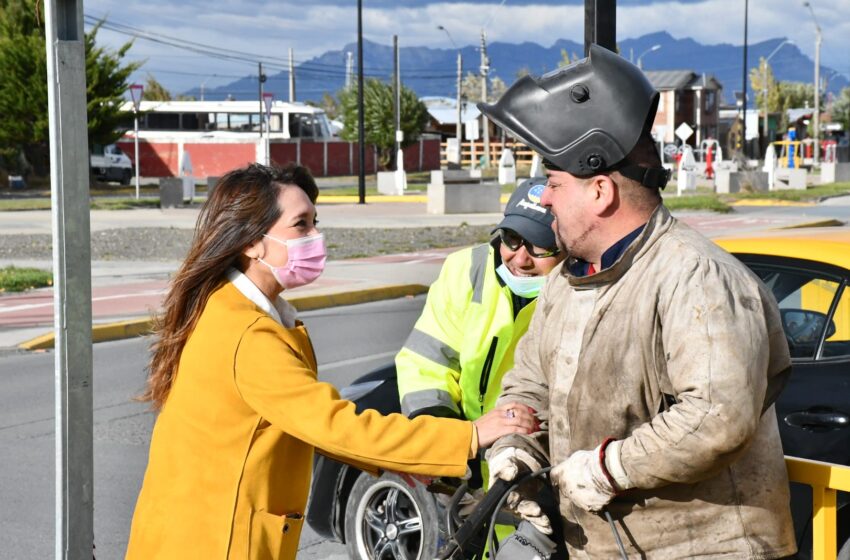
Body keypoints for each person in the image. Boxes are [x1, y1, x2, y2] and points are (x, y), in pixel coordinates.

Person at [477, 45, 797, 558]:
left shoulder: (696, 276)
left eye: (555, 184)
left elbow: (717, 416)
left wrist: (609, 469)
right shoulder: (567, 279)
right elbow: (531, 381)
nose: (546, 199)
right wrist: (513, 446)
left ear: (601, 191)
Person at [125, 163, 535, 560]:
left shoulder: (230, 309)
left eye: (315, 221)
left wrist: (418, 463)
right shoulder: (248, 334)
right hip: (217, 543)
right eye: (301, 224)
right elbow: (337, 427)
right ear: (252, 241)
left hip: (191, 533)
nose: (316, 236)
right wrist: (465, 437)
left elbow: (312, 428)